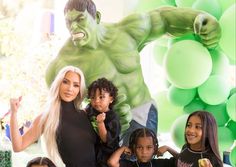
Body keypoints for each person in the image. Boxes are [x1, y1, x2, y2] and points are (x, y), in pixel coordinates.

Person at [45, 0, 221, 141]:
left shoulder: (125, 32)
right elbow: (66, 115)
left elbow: (162, 19)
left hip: (143, 111)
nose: (74, 28)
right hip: (107, 124)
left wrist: (198, 18)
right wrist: (98, 121)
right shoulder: (63, 65)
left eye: (80, 20)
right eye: (69, 23)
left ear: (96, 17)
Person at [86, 77, 121, 167]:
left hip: (108, 155)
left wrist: (100, 123)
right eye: (93, 97)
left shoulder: (112, 118)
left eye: (102, 97)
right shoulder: (90, 111)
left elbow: (106, 139)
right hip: (93, 153)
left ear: (111, 99)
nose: (97, 101)